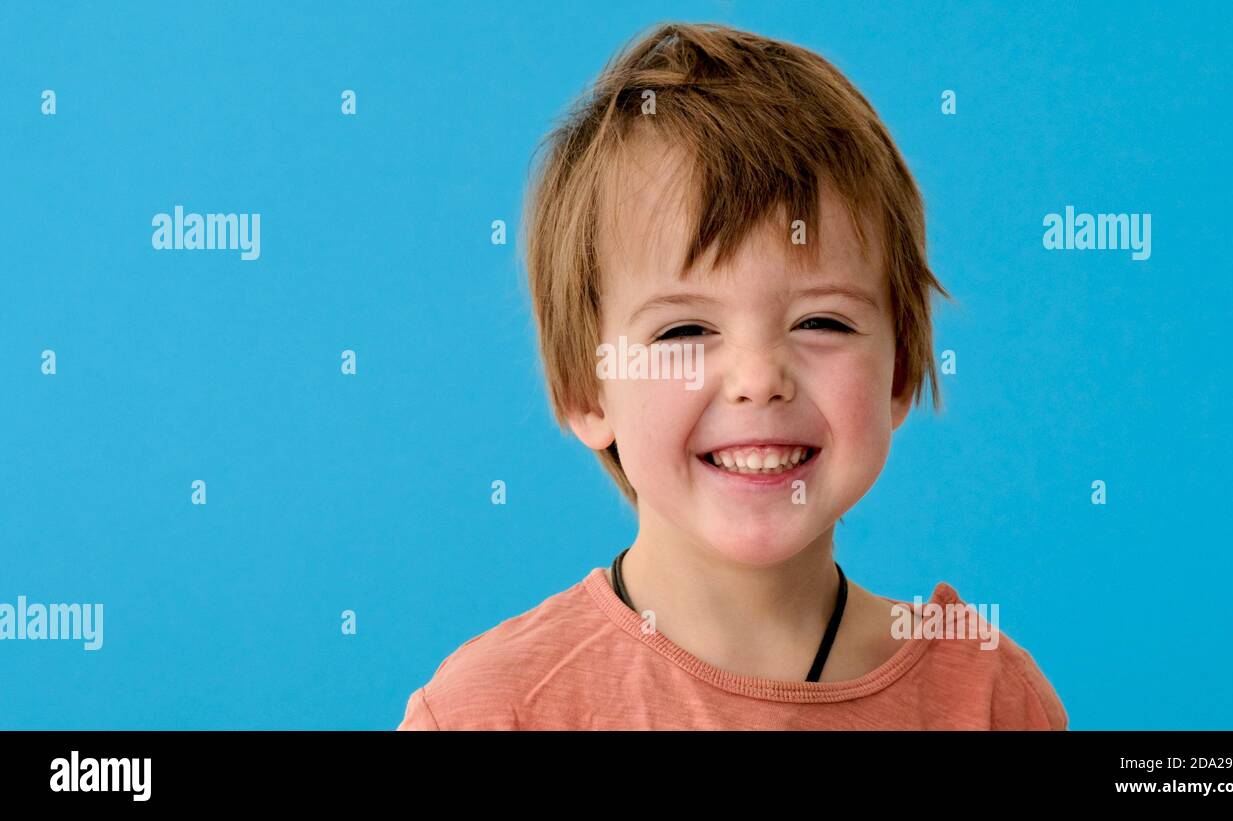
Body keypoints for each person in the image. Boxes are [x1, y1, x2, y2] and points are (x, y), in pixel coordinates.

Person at [398, 21, 1067, 730]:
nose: (759, 378)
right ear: (585, 388)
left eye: (823, 322)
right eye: (684, 330)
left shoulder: (989, 697)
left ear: (900, 371)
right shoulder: (490, 711)